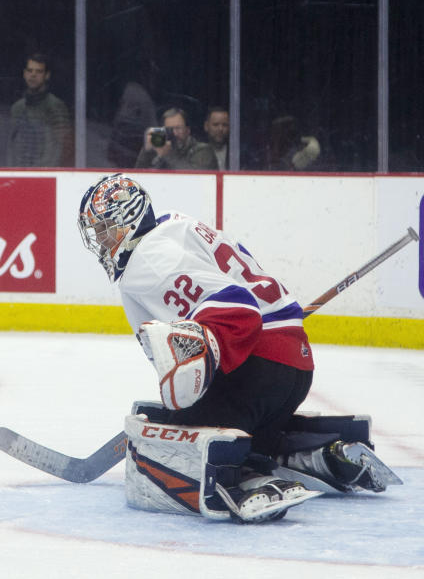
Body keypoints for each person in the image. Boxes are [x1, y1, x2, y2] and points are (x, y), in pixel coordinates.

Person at [77, 173, 399, 522]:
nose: (100, 241)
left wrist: (200, 361)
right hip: (294, 369)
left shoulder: (147, 261)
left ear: (129, 220)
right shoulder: (173, 225)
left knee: (178, 435)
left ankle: (246, 477)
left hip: (255, 370)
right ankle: (319, 455)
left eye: (105, 229)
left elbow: (236, 309)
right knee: (251, 429)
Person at [7, 53, 72, 167]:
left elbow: (61, 147)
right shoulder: (17, 108)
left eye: (38, 71)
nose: (33, 75)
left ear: (47, 75)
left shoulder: (55, 106)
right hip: (19, 173)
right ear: (24, 73)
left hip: (46, 175)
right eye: (30, 70)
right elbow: (11, 145)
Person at [135, 107, 216, 171]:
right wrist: (147, 151)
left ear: (187, 130)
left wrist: (168, 155)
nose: (174, 133)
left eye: (178, 128)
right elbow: (138, 176)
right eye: (169, 129)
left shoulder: (203, 150)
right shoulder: (159, 148)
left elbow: (194, 177)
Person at [203, 106, 229, 170]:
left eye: (225, 125)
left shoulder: (238, 153)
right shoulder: (197, 152)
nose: (220, 129)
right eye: (216, 125)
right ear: (206, 126)